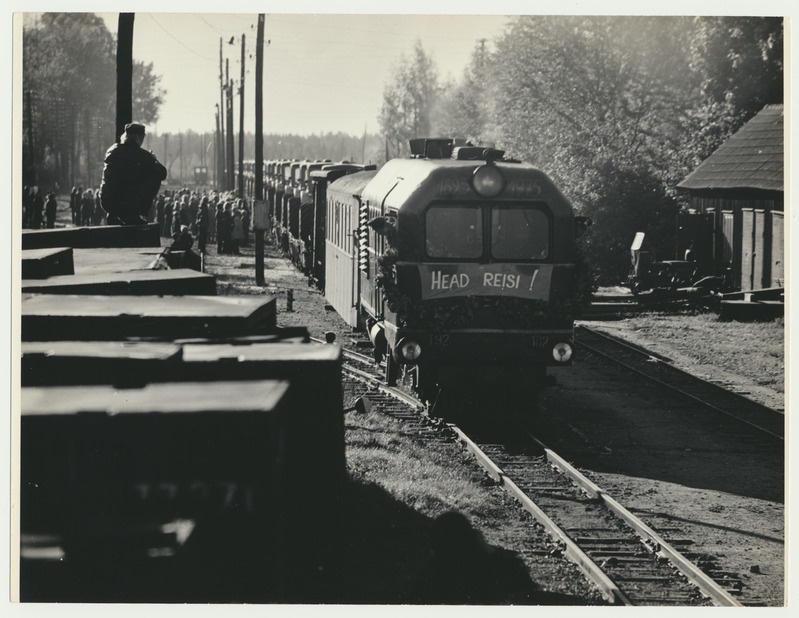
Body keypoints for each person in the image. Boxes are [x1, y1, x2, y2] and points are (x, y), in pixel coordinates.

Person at [100, 122, 167, 225]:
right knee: (155, 177)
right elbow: (163, 173)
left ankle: (113, 215)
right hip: (126, 205)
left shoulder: (112, 150)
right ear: (138, 137)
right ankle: (132, 215)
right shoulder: (142, 155)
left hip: (106, 202)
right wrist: (155, 160)